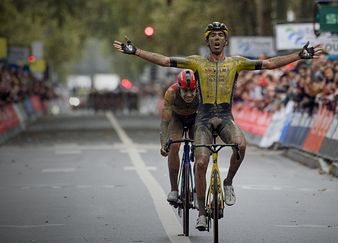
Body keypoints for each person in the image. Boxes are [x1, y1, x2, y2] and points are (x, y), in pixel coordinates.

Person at [113, 21, 323, 231]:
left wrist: (298, 55)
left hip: (224, 117)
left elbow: (269, 64)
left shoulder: (236, 63)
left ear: (226, 40)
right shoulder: (197, 63)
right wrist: (137, 51)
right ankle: (202, 214)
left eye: (220, 35)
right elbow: (166, 60)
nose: (216, 39)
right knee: (202, 162)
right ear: (207, 41)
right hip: (203, 119)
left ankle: (229, 182)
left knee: (240, 146)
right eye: (212, 36)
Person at [159, 70, 199, 204]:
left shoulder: (203, 91)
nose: (189, 95)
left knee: (201, 149)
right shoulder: (171, 92)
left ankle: (197, 188)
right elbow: (165, 122)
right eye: (185, 91)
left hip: (196, 118)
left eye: (192, 91)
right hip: (177, 119)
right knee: (174, 146)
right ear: (179, 87)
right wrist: (164, 143)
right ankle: (174, 189)